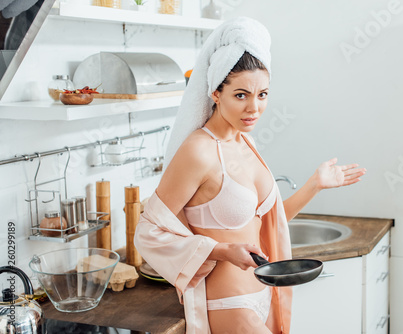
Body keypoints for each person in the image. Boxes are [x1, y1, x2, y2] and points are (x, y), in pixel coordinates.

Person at [134, 17, 365, 334]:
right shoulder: (199, 151)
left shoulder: (247, 143)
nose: (254, 108)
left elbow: (267, 222)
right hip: (229, 303)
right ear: (216, 93)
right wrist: (222, 251)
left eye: (263, 94)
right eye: (241, 95)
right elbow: (148, 231)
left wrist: (315, 184)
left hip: (264, 294)